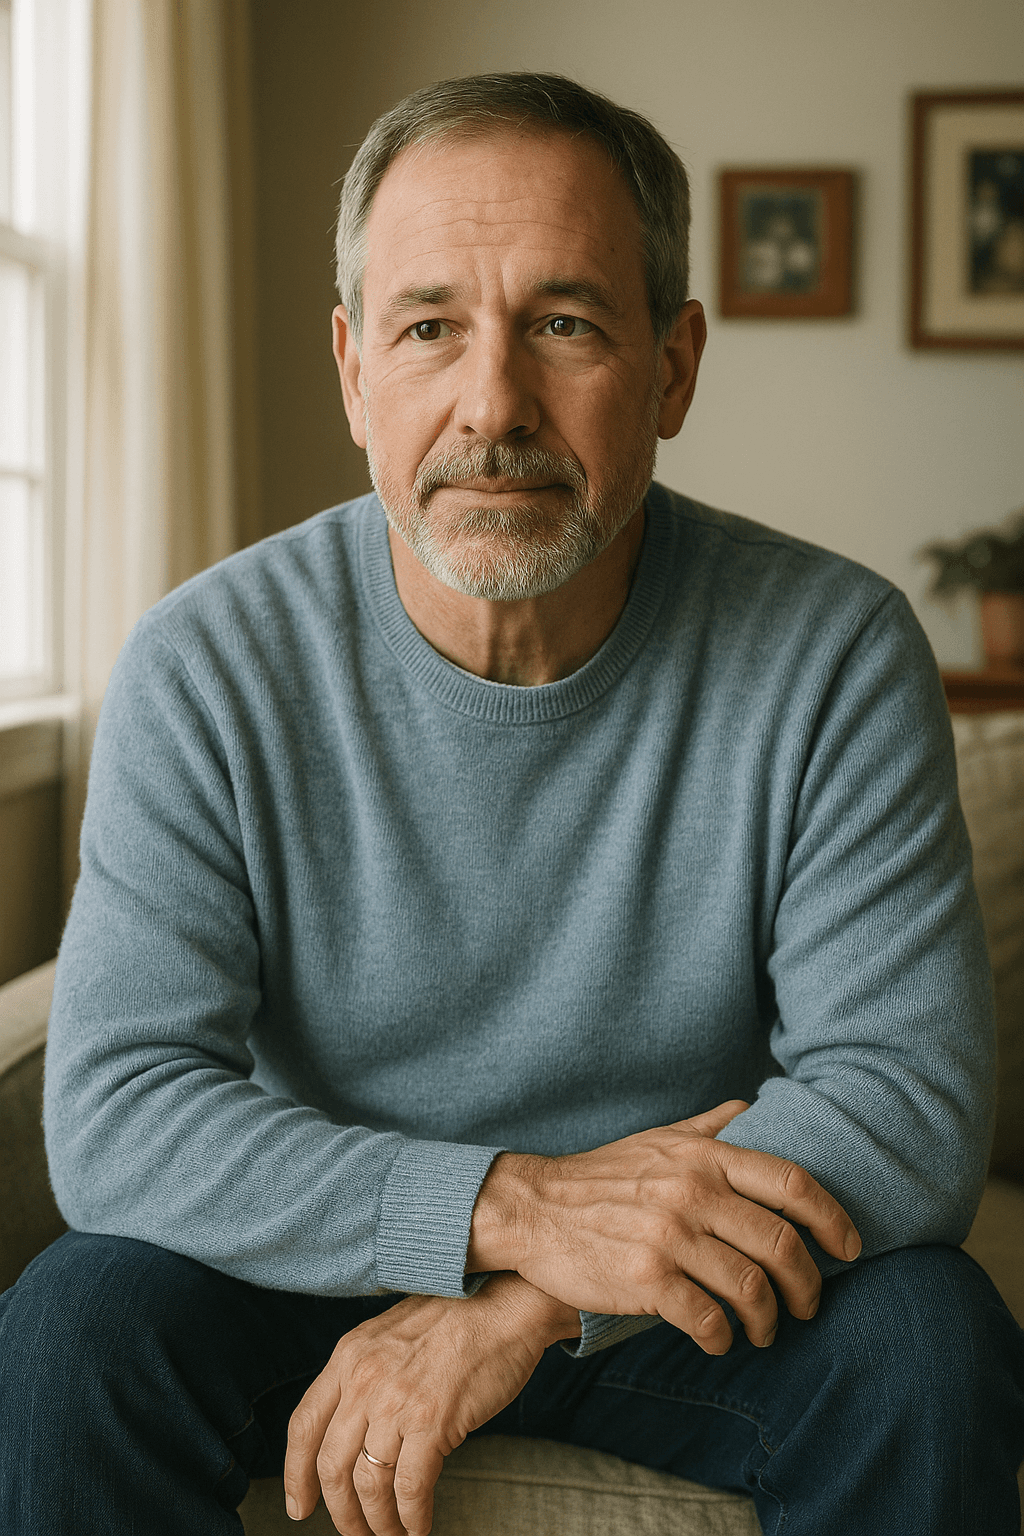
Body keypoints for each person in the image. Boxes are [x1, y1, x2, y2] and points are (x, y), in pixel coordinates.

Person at [1, 72, 1022, 1536]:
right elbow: (115, 1114)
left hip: (686, 1301)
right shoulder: (205, 663)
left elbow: (909, 1102)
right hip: (312, 1261)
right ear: (355, 370)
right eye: (430, 329)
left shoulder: (833, 651)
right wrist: (515, 1208)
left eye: (564, 324)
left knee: (930, 1337)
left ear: (672, 367)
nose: (493, 405)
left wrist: (526, 1303)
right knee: (70, 1326)